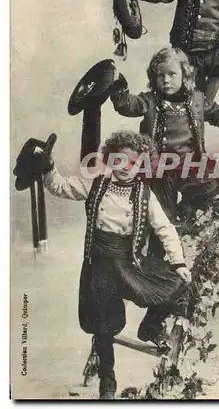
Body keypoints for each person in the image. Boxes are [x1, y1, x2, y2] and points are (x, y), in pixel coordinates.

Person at [39, 130, 191, 400]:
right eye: (119, 160)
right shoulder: (96, 185)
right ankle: (107, 382)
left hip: (130, 263)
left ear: (142, 164)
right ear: (109, 160)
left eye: (133, 163)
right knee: (103, 324)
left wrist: (178, 261)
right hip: (99, 267)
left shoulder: (145, 194)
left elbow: (165, 228)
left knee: (180, 284)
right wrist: (48, 168)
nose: (125, 167)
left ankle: (150, 327)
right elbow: (60, 187)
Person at [109, 46, 219, 224]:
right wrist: (118, 89)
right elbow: (129, 106)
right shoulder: (150, 101)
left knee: (210, 187)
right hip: (160, 166)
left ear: (185, 75)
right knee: (162, 214)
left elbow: (216, 112)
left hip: (191, 163)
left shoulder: (197, 99)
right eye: (160, 76)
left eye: (172, 74)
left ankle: (185, 213)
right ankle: (163, 238)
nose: (166, 80)